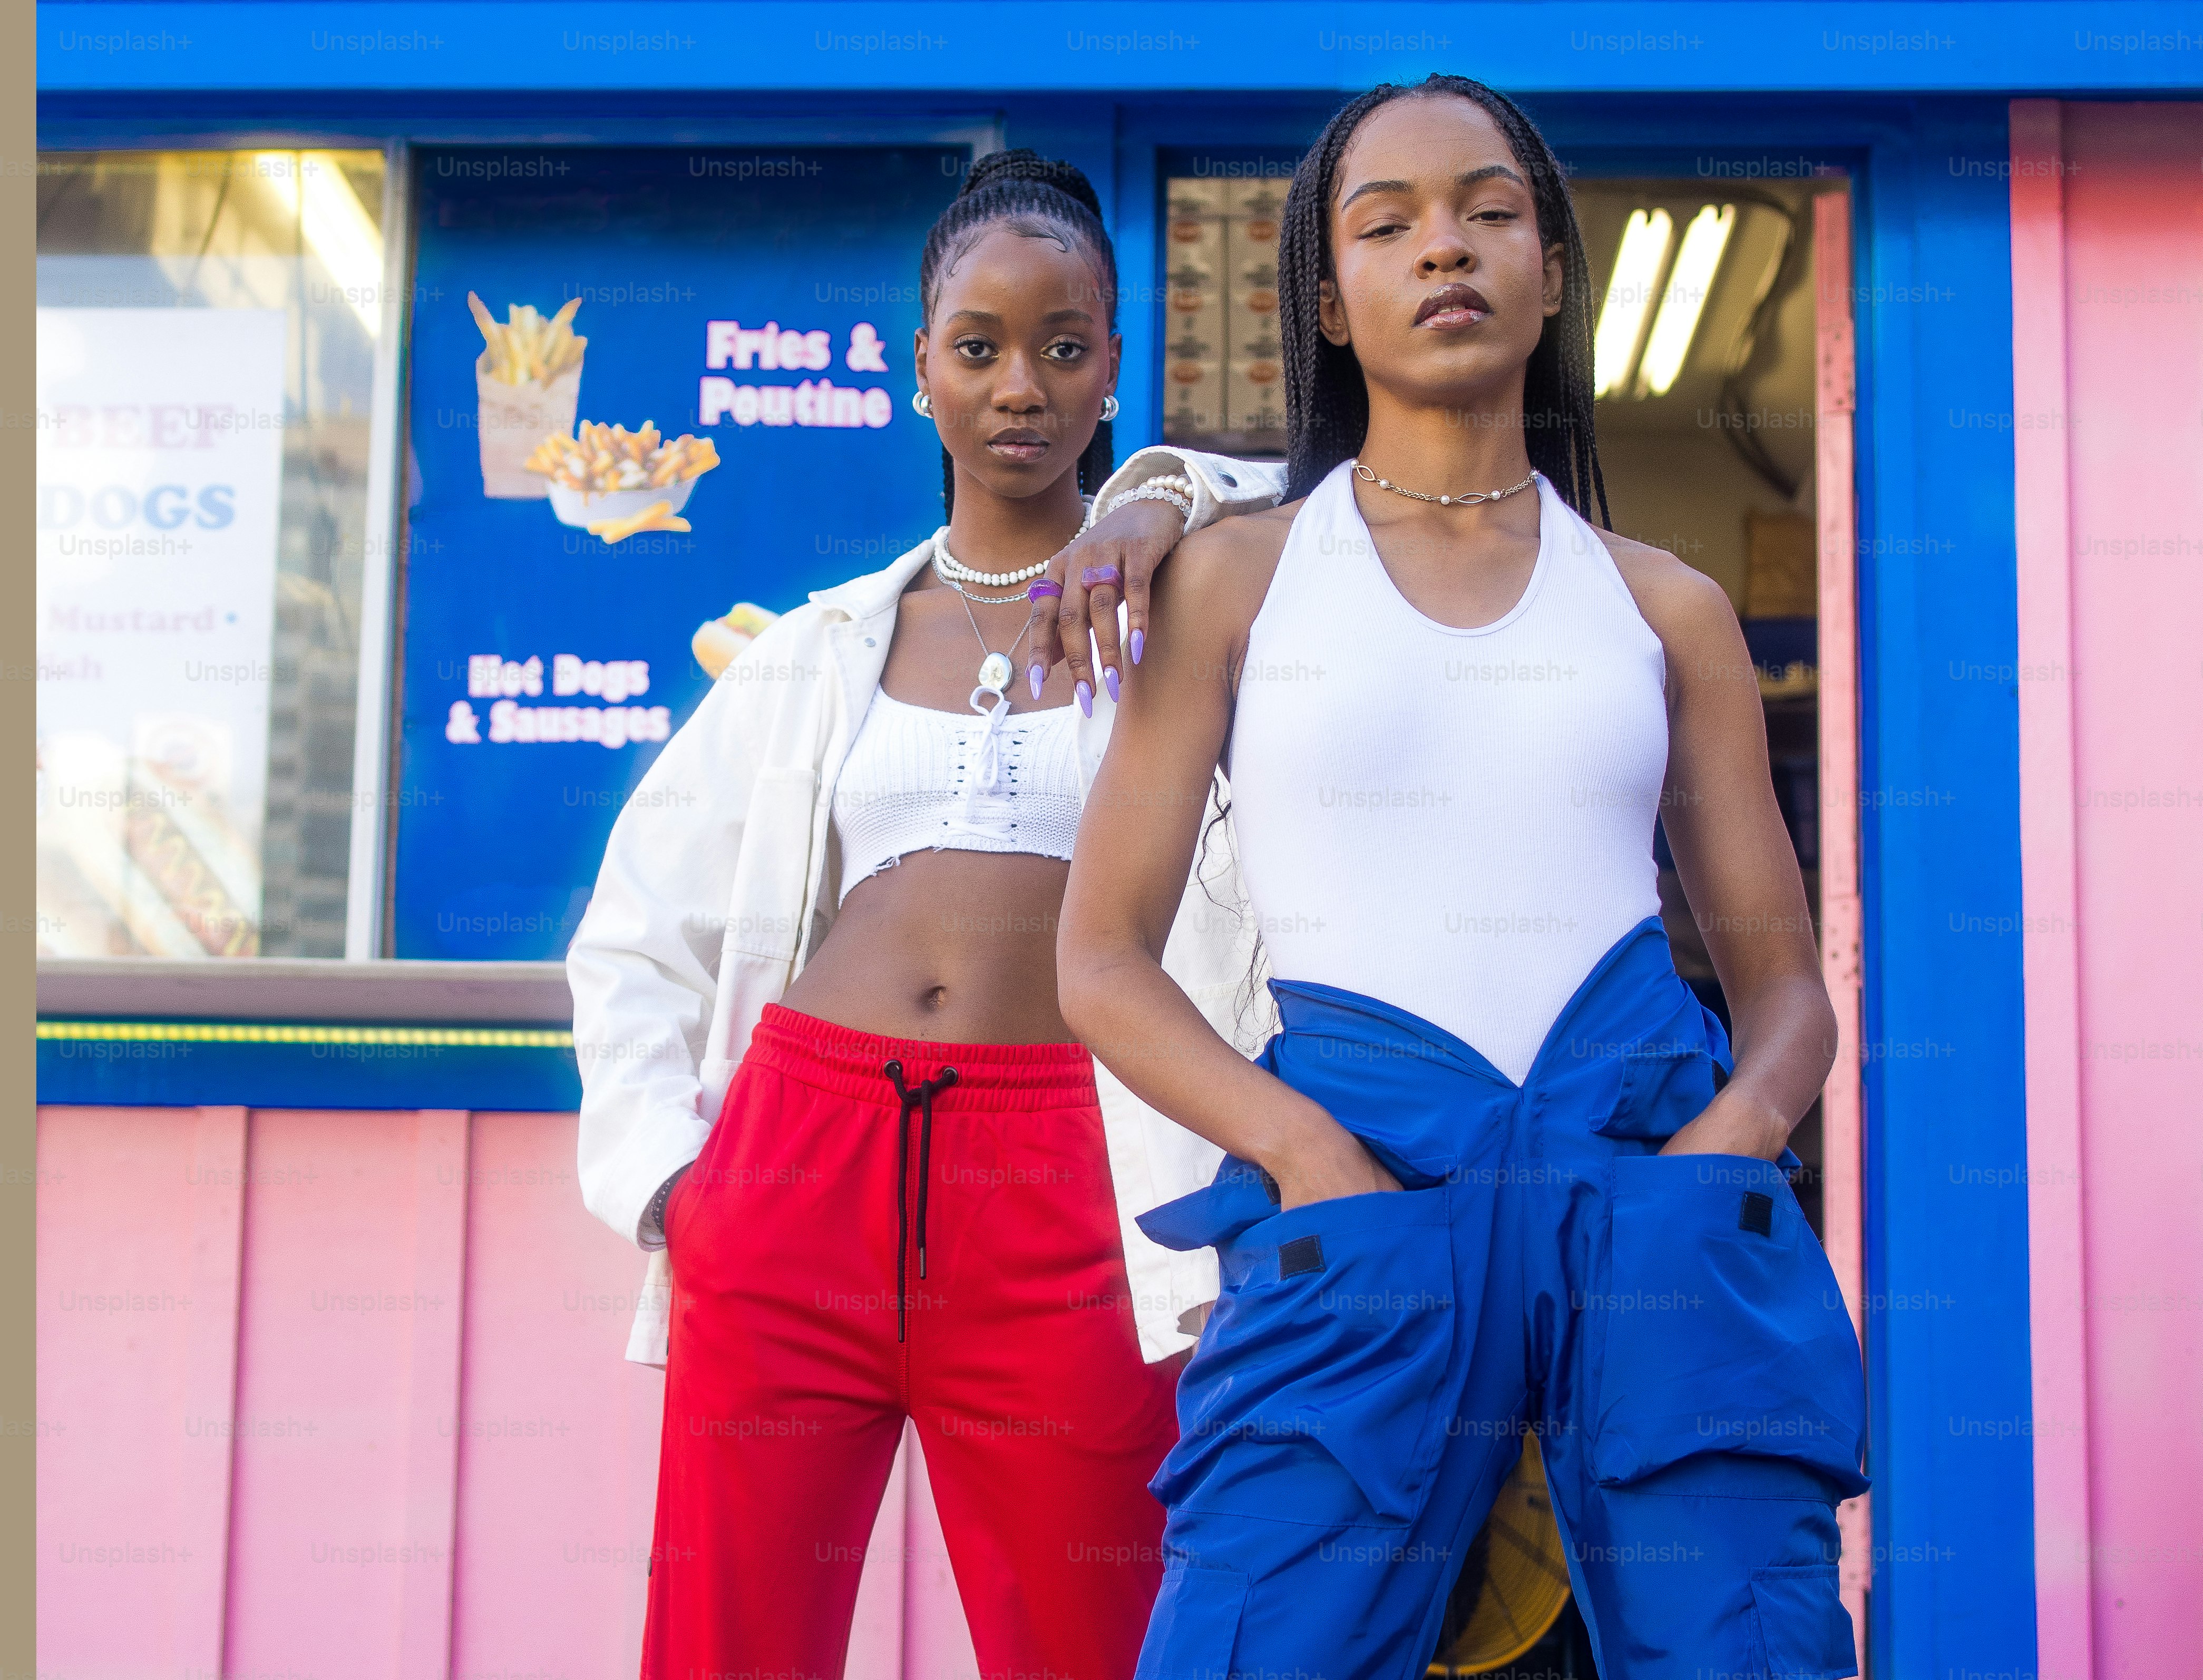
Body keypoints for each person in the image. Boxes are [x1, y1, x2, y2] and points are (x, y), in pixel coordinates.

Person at [1057, 78, 1870, 1680]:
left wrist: (1719, 1150)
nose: (1445, 249)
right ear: (1330, 301)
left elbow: (1784, 993)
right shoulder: (1233, 577)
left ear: (1552, 272)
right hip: (1358, 1208)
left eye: (1489, 212)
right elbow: (1098, 956)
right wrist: (1301, 1148)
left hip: (1645, 1209)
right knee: (1256, 1634)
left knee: (1731, 1643)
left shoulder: (1664, 605)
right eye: (1388, 225)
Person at [568, 151, 1285, 1680]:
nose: (1018, 383)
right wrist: (676, 1188)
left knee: (1096, 1637)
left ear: (1110, 374)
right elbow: (634, 930)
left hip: (1072, 1186)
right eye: (978, 346)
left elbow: (1308, 500)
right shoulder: (818, 648)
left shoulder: (1194, 606)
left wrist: (1155, 496)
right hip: (794, 1171)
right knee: (727, 1644)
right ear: (919, 374)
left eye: (1062, 347)